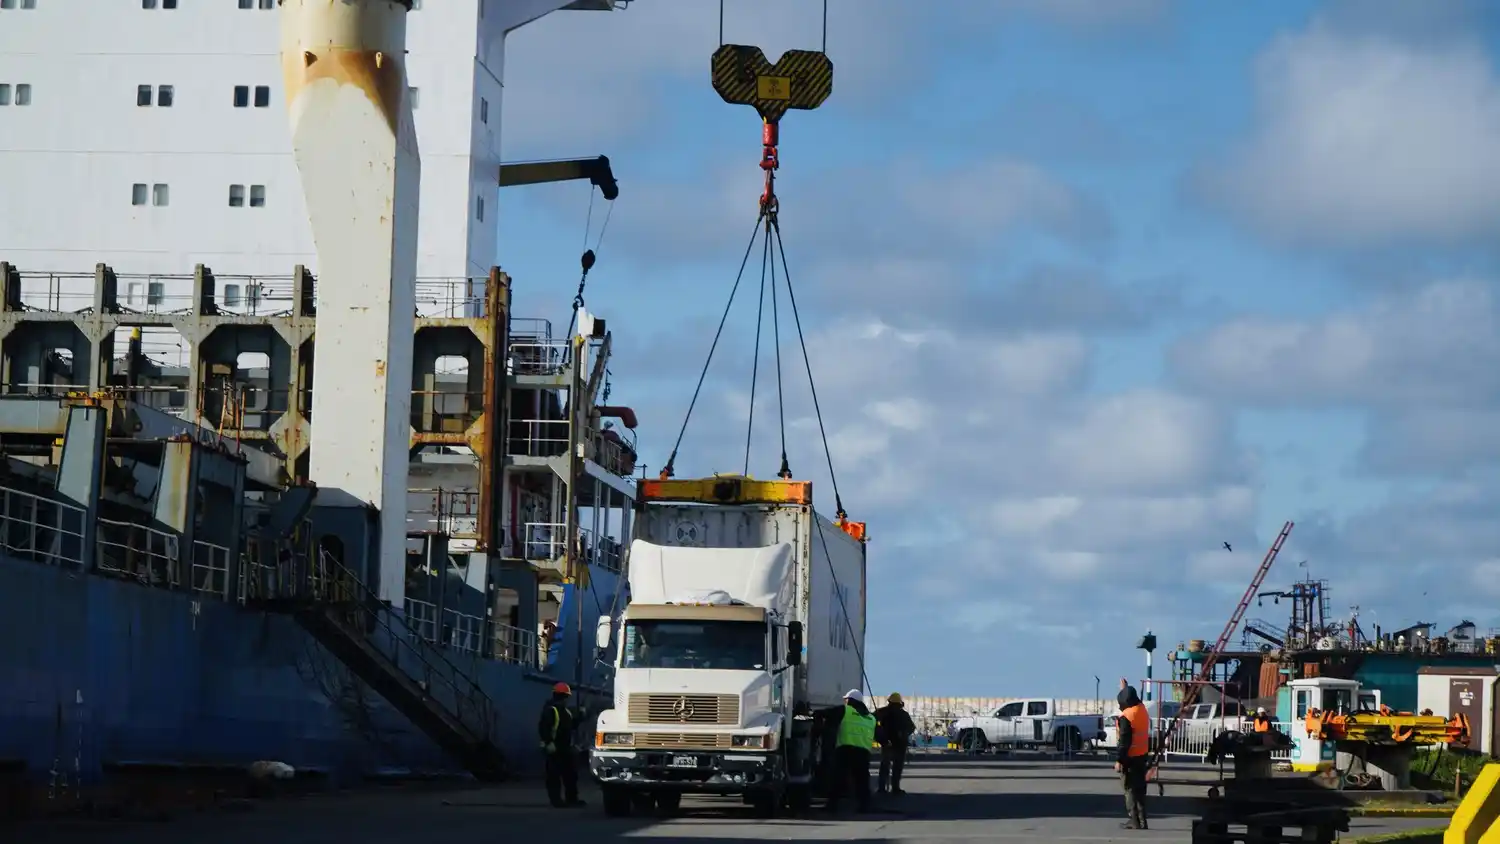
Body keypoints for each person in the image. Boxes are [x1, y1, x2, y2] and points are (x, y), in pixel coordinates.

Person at [824, 689, 875, 813]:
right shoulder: (871, 718)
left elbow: (825, 714)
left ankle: (832, 806)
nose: (845, 701)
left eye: (846, 699)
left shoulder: (845, 710)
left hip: (845, 750)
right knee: (862, 781)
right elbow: (880, 735)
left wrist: (809, 713)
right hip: (863, 753)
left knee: (838, 778)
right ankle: (864, 806)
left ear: (851, 700)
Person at [538, 681, 584, 808]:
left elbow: (571, 726)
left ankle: (572, 799)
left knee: (571, 775)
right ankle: (556, 800)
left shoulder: (565, 712)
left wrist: (580, 716)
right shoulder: (551, 710)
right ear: (563, 697)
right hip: (554, 749)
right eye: (566, 697)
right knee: (554, 776)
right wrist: (548, 743)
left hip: (565, 749)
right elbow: (543, 727)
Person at [1114, 679, 1150, 830]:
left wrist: (1119, 761)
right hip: (1142, 755)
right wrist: (1125, 688)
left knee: (1129, 789)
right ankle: (1142, 820)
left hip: (1130, 758)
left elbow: (1124, 742)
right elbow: (1131, 697)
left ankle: (1133, 819)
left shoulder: (1126, 717)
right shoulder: (1142, 709)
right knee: (1140, 789)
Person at [874, 692, 916, 795]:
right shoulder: (904, 714)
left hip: (887, 743)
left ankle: (881, 788)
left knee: (885, 766)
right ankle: (895, 788)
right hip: (900, 744)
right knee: (897, 767)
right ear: (899, 702)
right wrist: (903, 734)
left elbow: (872, 720)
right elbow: (911, 727)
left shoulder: (882, 712)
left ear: (889, 701)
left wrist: (881, 736)